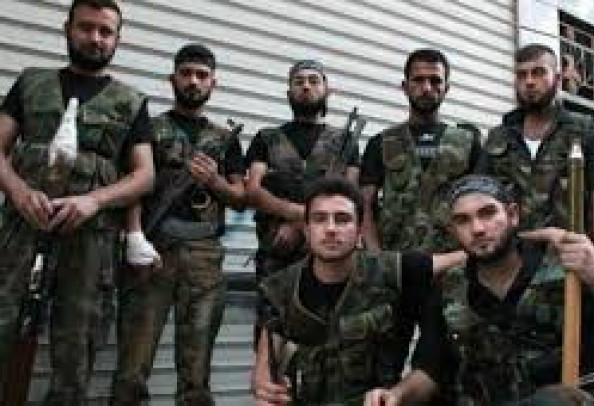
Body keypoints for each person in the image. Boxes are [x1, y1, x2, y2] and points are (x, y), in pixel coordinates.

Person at [364, 174, 594, 405]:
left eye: (487, 214)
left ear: (512, 215)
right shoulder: (450, 288)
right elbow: (431, 370)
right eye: (463, 220)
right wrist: (396, 395)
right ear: (452, 230)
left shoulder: (567, 268)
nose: (477, 228)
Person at [0, 0, 154, 403]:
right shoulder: (31, 83)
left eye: (106, 31)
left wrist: (94, 201)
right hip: (19, 233)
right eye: (86, 28)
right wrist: (18, 191)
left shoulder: (131, 101)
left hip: (90, 242)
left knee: (75, 353)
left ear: (118, 39)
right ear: (67, 29)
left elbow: (144, 175)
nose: (95, 38)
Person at [249, 177, 466, 406]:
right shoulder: (281, 288)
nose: (331, 229)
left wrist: (396, 395)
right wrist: (264, 386)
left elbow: (465, 255)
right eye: (320, 219)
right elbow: (264, 371)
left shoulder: (393, 270)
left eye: (342, 219)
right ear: (306, 229)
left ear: (360, 229)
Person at [110, 44, 246, 405]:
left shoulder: (225, 139)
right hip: (153, 251)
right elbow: (131, 186)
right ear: (172, 78)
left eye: (202, 75)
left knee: (196, 375)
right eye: (186, 73)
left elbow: (241, 196)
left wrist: (214, 181)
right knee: (132, 368)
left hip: (204, 258)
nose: (193, 81)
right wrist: (134, 237)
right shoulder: (149, 129)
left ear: (213, 83)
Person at [245, 59, 360, 342]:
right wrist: (300, 215)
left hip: (328, 259)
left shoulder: (345, 141)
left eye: (313, 80)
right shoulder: (267, 138)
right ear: (289, 93)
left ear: (327, 91)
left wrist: (300, 224)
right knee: (271, 337)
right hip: (276, 257)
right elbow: (254, 191)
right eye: (298, 82)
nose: (306, 87)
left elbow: (350, 196)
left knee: (327, 338)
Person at [477, 43, 594, 271]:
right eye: (522, 75)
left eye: (539, 72)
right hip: (511, 267)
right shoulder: (498, 138)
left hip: (569, 266)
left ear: (558, 79)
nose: (529, 81)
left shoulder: (586, 131)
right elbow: (481, 202)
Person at [360, 48, 483, 254]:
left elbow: (482, 204)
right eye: (418, 80)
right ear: (405, 87)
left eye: (435, 81)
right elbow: (365, 207)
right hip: (397, 262)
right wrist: (376, 257)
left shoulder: (468, 143)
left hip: (454, 263)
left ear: (446, 88)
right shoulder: (381, 143)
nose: (426, 88)